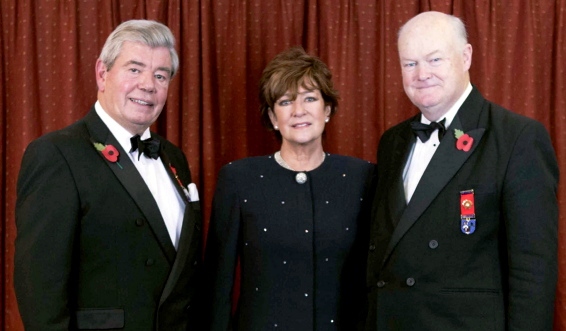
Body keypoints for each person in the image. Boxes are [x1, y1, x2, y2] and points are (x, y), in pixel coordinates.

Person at [365, 11, 559, 330]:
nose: (421, 74)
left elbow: (533, 272)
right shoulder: (392, 142)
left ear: (466, 56)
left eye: (435, 59)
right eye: (410, 63)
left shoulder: (517, 138)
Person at [14, 20, 203, 330]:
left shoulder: (174, 159)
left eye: (160, 75)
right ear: (102, 73)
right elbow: (39, 288)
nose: (148, 84)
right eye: (134, 69)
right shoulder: (57, 154)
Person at [203, 46, 375, 330]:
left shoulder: (362, 177)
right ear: (272, 117)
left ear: (328, 109)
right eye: (285, 102)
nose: (299, 111)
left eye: (310, 98)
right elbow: (217, 285)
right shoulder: (238, 179)